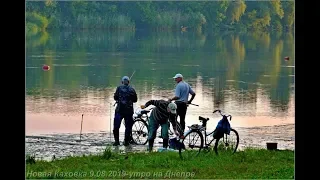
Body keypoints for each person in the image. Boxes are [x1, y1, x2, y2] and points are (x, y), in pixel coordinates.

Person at [113, 76, 137, 146]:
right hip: (129, 111)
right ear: (128, 82)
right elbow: (135, 100)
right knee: (128, 127)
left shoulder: (119, 88)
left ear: (122, 82)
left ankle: (117, 141)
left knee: (116, 126)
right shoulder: (132, 89)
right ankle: (126, 142)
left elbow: (115, 97)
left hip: (119, 110)